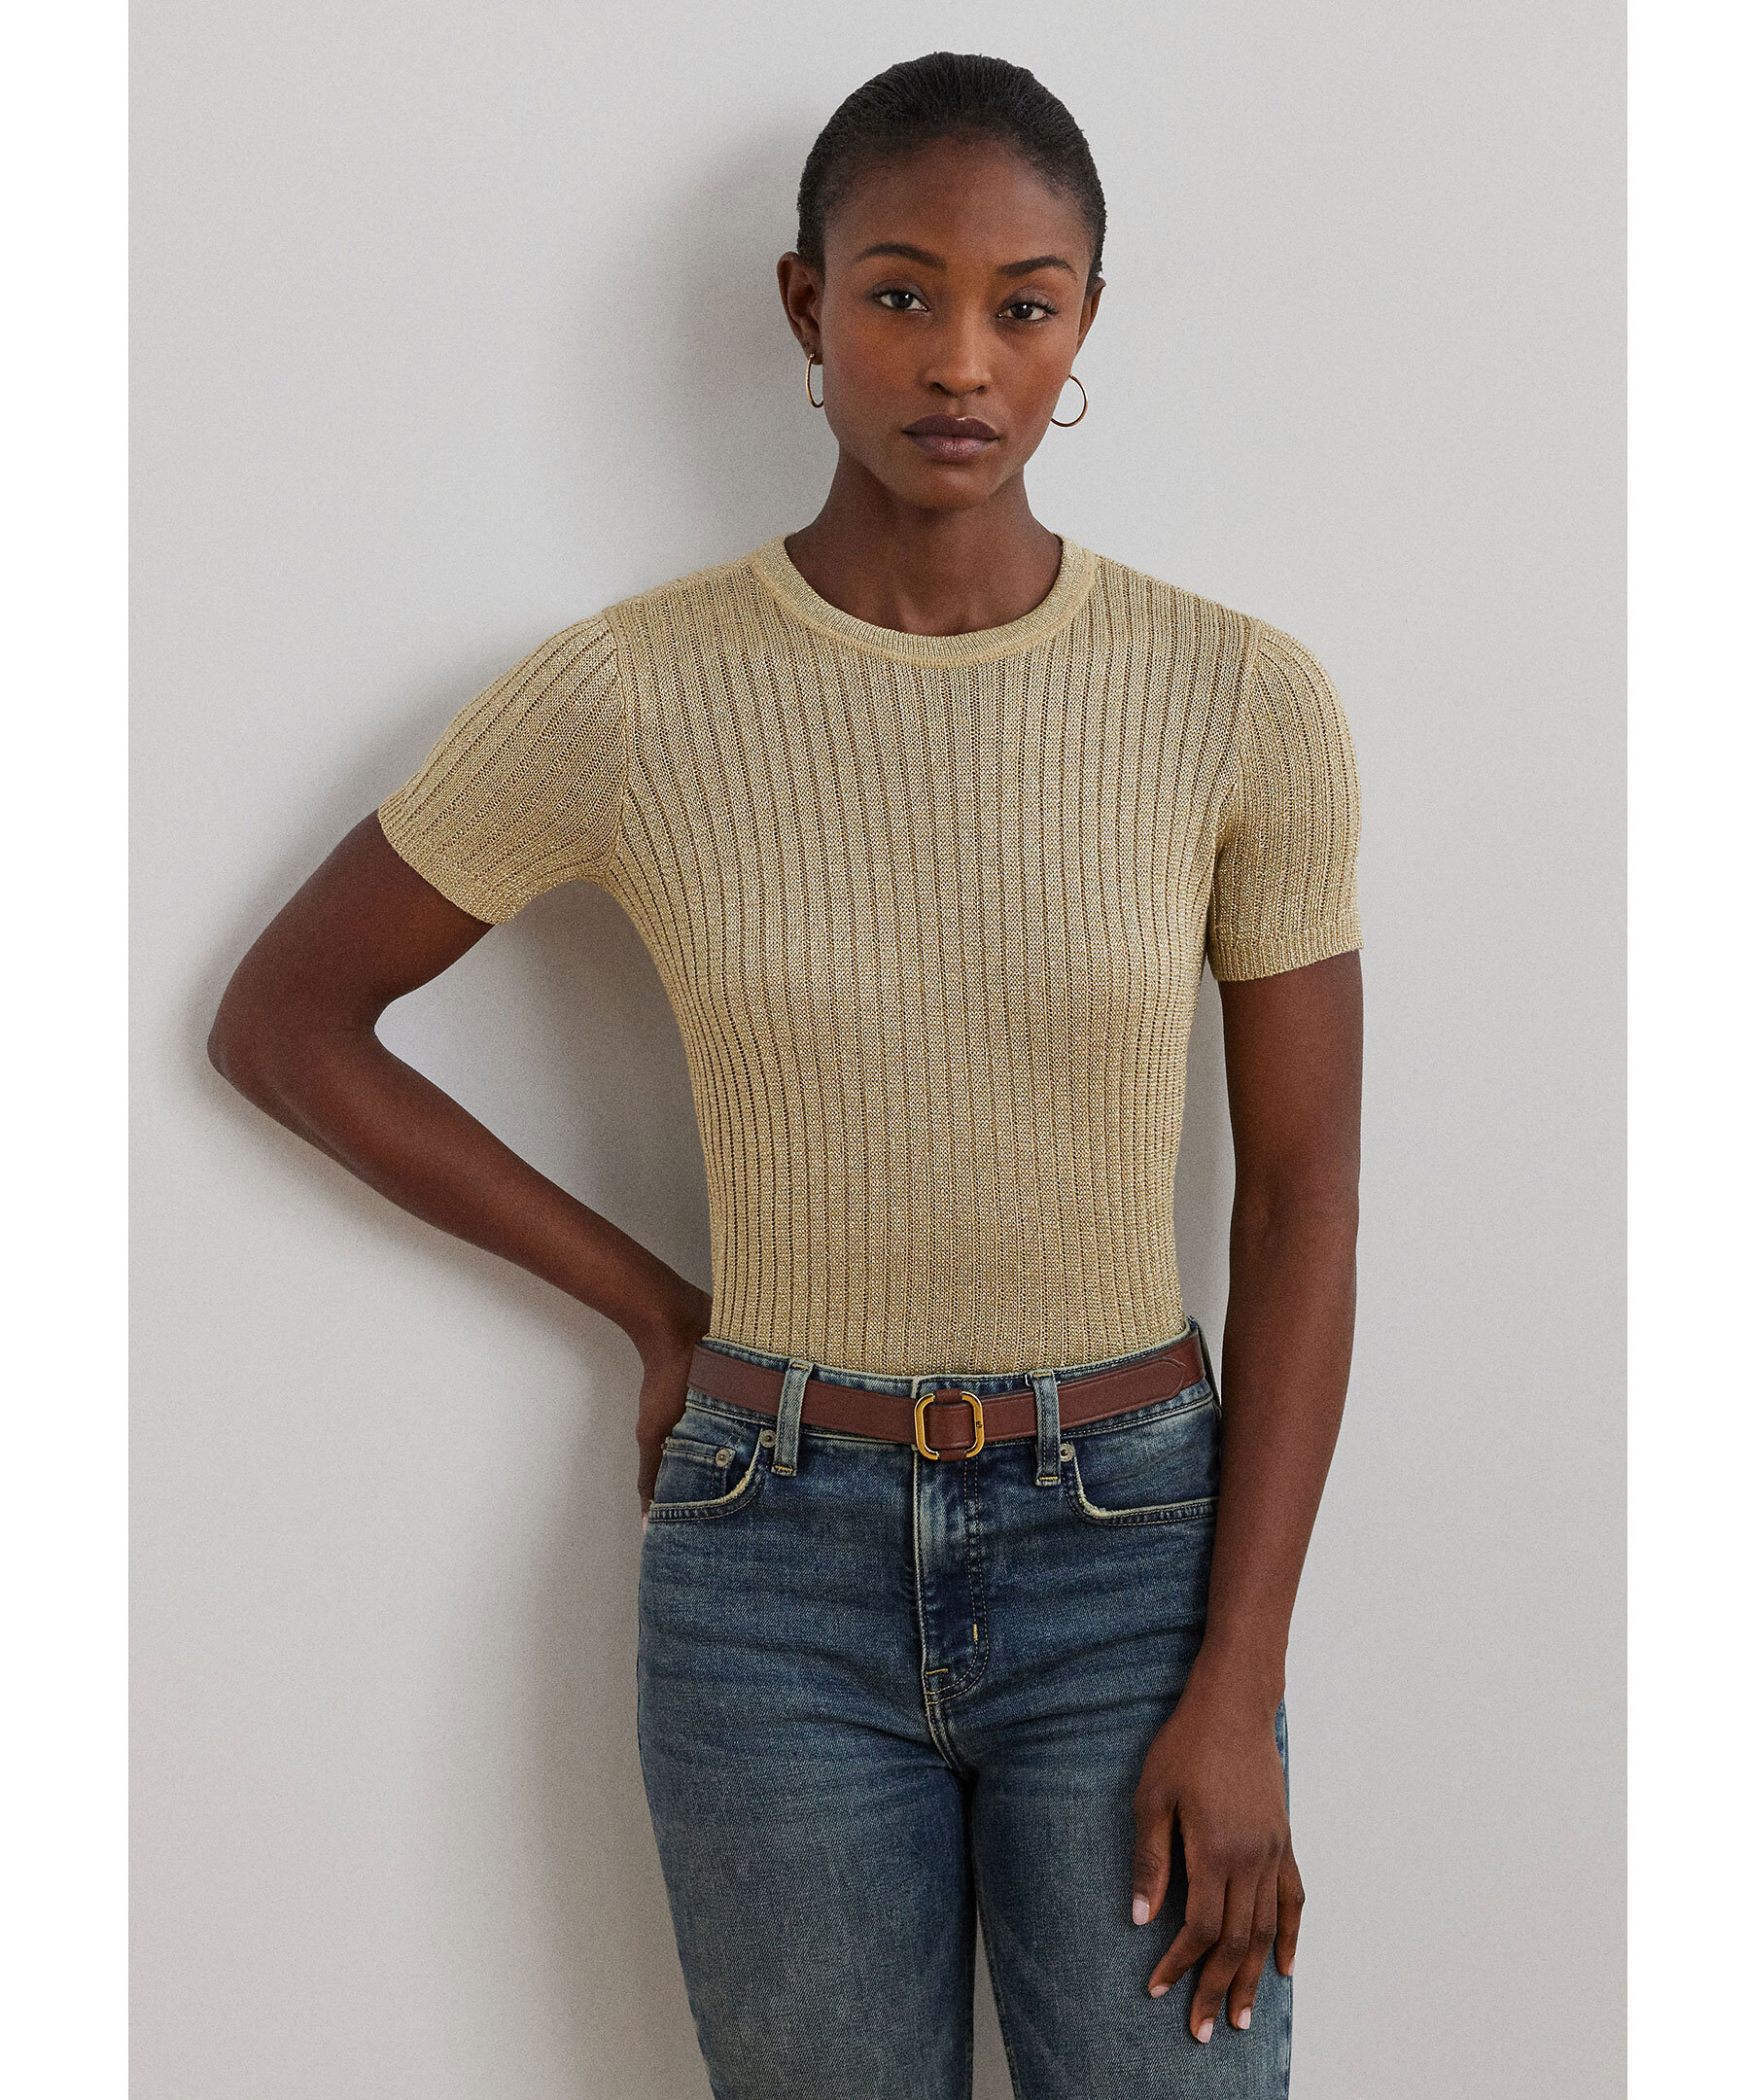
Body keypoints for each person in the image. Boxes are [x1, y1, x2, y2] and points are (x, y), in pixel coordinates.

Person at [208, 50, 1362, 2100]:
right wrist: (657, 1311)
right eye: (900, 291)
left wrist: (1240, 1677)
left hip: (1135, 1562)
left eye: (1025, 304)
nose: (962, 360)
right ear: (803, 305)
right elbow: (287, 1023)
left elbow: (1302, 1200)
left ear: (1085, 325)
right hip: (770, 1571)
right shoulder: (633, 695)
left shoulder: (1236, 701)